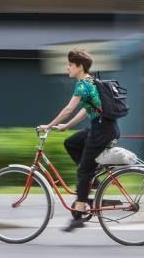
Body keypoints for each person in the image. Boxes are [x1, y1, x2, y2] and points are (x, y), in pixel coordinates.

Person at [39, 49, 120, 232]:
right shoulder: (91, 81)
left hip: (101, 131)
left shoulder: (82, 84)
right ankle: (92, 178)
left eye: (70, 65)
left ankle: (79, 215)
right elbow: (87, 109)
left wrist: (49, 125)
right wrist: (67, 126)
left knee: (83, 170)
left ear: (80, 67)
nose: (67, 67)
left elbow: (69, 109)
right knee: (71, 143)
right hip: (102, 128)